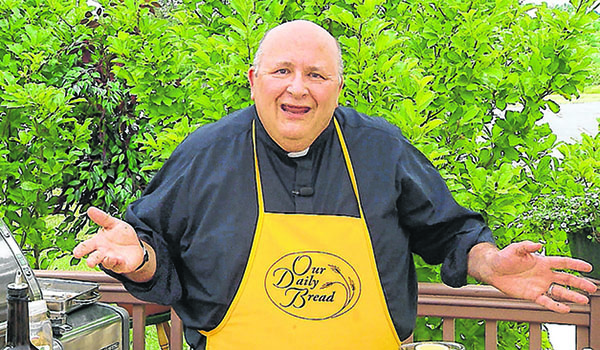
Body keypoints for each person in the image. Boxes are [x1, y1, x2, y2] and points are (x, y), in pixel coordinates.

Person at [73, 20, 597, 349]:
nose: (297, 88)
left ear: (338, 87)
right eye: (281, 71)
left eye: (316, 75)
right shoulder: (205, 155)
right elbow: (156, 255)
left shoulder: (381, 150)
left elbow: (449, 234)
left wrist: (489, 262)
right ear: (254, 79)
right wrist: (137, 257)